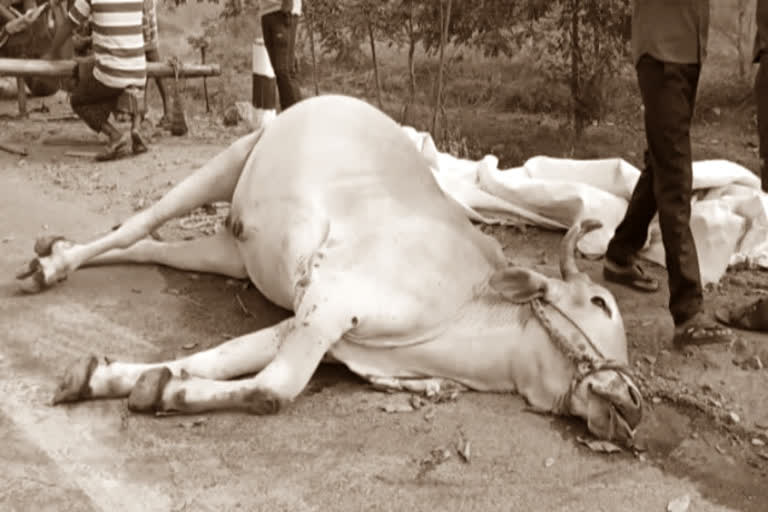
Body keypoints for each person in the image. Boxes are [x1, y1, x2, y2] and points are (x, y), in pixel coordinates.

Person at [602, 0, 735, 347]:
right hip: (663, 53)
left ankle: (620, 253)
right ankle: (688, 312)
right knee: (675, 175)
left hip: (684, 50)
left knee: (662, 160)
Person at [44, 0, 148, 160]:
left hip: (112, 73)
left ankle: (115, 136)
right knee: (110, 83)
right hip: (139, 69)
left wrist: (51, 53)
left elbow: (68, 24)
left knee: (79, 99)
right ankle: (136, 128)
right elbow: (138, 29)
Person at [261, 0, 302, 110]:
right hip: (267, 11)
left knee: (284, 70)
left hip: (282, 10)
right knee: (279, 72)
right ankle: (289, 118)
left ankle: (296, 119)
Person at [142, 0, 170, 128]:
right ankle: (143, 114)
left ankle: (167, 113)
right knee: (147, 77)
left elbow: (147, 11)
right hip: (145, 40)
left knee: (153, 76)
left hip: (145, 40)